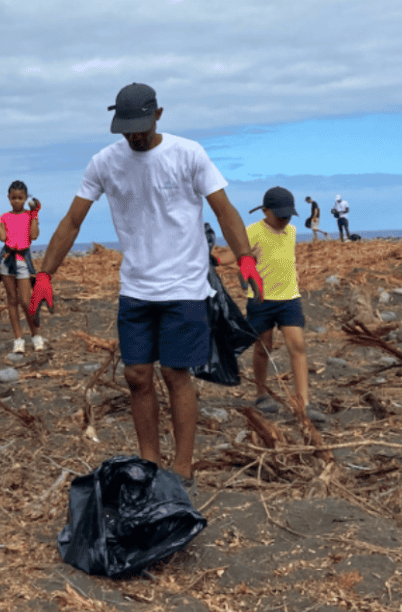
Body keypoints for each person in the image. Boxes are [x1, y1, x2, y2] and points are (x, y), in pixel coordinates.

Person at [29, 83, 264, 494]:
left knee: (176, 373)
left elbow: (223, 210)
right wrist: (46, 274)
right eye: (125, 129)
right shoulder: (104, 162)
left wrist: (244, 257)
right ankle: (149, 461)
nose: (133, 136)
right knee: (136, 375)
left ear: (158, 115)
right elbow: (72, 222)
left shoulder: (188, 154)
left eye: (140, 126)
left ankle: (184, 465)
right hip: (136, 287)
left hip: (184, 286)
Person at [217, 187, 325, 424]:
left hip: (290, 299)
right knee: (262, 348)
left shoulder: (292, 232)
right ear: (265, 211)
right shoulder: (254, 231)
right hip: (261, 301)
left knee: (298, 346)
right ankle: (261, 393)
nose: (284, 220)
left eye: (288, 216)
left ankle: (303, 403)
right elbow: (235, 254)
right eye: (280, 216)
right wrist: (213, 260)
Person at [0, 181, 45, 352]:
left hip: (23, 260)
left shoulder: (29, 215)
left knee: (26, 302)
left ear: (26, 198)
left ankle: (36, 335)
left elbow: (34, 235)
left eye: (20, 198)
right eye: (13, 198)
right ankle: (18, 339)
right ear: (8, 198)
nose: (17, 201)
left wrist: (35, 214)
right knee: (12, 301)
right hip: (6, 260)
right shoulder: (5, 216)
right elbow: (2, 237)